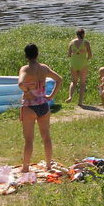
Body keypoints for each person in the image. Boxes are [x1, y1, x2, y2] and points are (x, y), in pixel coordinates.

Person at [18, 43, 62, 172]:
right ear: (37, 54)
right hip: (43, 105)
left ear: (26, 56)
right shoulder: (44, 68)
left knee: (29, 140)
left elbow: (20, 83)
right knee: (46, 136)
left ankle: (25, 168)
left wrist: (27, 92)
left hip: (29, 107)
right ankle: (48, 165)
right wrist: (51, 96)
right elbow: (59, 79)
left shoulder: (25, 69)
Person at [66, 28, 93, 106]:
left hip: (74, 63)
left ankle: (70, 96)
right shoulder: (86, 42)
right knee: (82, 83)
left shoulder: (71, 42)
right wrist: (86, 59)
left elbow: (68, 55)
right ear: (83, 34)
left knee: (73, 82)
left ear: (76, 34)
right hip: (83, 64)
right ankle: (80, 102)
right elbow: (90, 55)